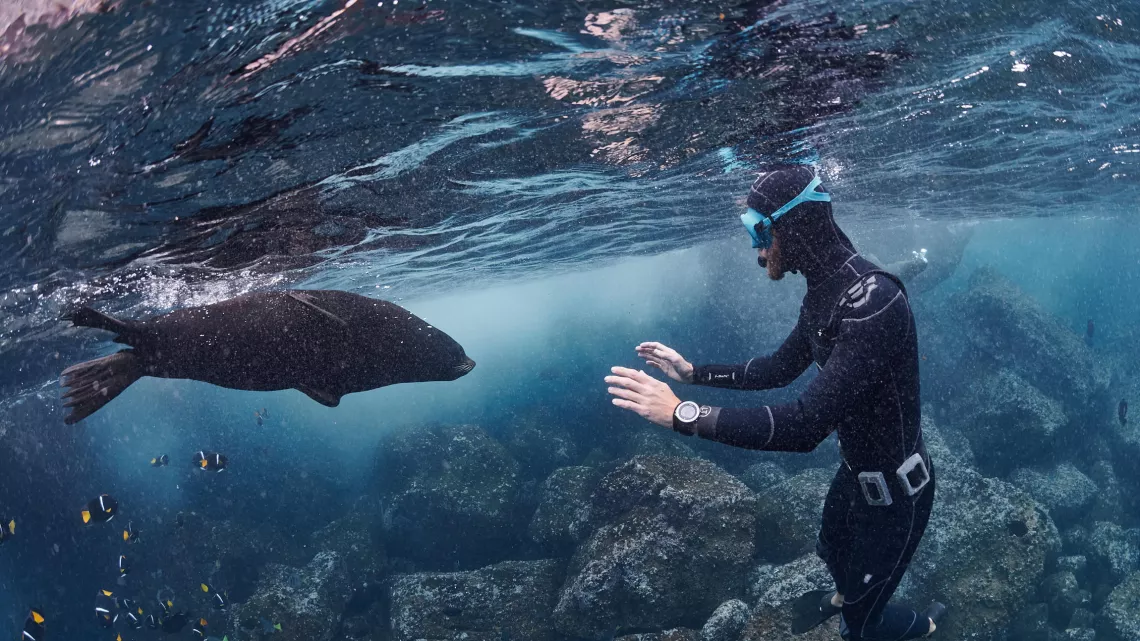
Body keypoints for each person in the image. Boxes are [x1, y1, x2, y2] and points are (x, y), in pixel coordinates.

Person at [605, 165, 945, 640]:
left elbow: (802, 428)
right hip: (857, 477)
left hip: (897, 496)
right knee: (831, 551)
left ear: (797, 225)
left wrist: (682, 414)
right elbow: (775, 370)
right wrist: (692, 373)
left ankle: (922, 624)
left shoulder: (873, 303)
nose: (757, 249)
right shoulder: (825, 296)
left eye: (759, 231)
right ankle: (850, 596)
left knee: (861, 628)